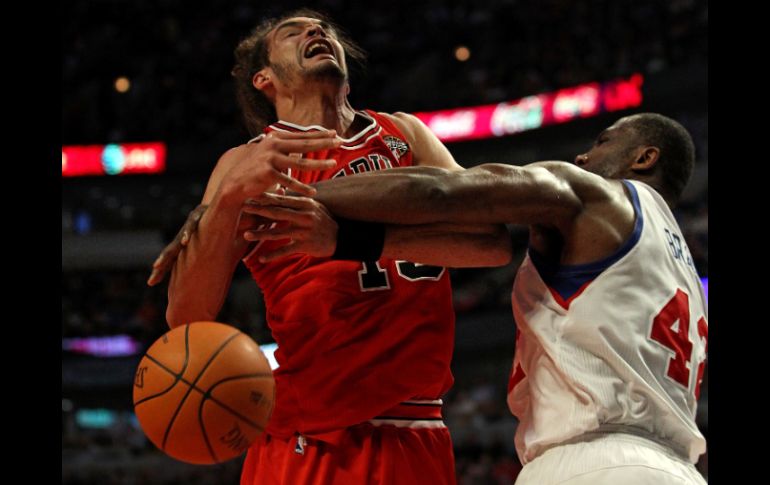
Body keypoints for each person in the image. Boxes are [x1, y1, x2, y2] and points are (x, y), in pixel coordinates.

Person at [243, 112, 708, 484]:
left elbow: (440, 190)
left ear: (644, 158)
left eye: (604, 141)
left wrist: (288, 200)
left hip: (594, 462)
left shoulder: (593, 194)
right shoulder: (679, 263)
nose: (585, 154)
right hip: (680, 469)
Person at [155, 8, 511, 485]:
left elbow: (491, 243)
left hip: (418, 427)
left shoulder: (404, 134)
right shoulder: (247, 161)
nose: (316, 31)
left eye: (322, 27)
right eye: (293, 31)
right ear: (264, 79)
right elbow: (186, 318)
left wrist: (351, 241)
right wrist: (227, 201)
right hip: (310, 436)